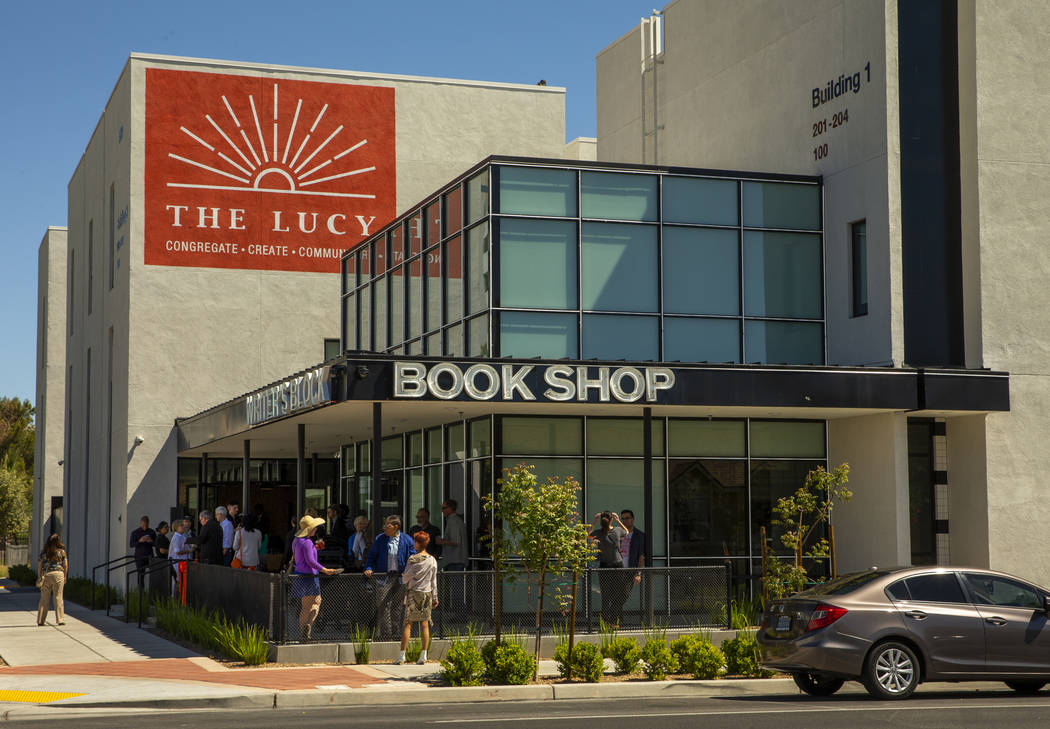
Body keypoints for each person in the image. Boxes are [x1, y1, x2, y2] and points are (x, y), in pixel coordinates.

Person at [364, 515, 416, 640]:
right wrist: (369, 567)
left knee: (397, 605)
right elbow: (372, 555)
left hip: (400, 577)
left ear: (395, 527)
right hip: (384, 576)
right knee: (382, 604)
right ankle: (385, 634)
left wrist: (411, 570)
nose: (384, 528)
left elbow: (413, 556)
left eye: (387, 525)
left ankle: (396, 633)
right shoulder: (380, 539)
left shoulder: (407, 539)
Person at [291, 514, 338, 640]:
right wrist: (325, 570)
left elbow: (302, 557)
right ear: (309, 529)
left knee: (311, 603)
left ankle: (305, 630)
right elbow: (311, 561)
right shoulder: (307, 542)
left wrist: (314, 547)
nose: (316, 529)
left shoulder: (296, 540)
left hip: (300, 576)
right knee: (311, 605)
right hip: (310, 576)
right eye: (314, 527)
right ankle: (306, 629)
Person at [398, 531, 438, 664]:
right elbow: (434, 581)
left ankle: (402, 655)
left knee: (408, 624)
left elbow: (406, 577)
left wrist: (405, 578)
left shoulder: (413, 559)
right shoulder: (432, 560)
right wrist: (435, 597)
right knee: (425, 624)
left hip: (413, 593)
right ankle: (424, 655)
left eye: (415, 541)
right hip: (426, 593)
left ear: (417, 543)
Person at [590, 510, 630, 626]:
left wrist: (594, 520)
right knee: (617, 593)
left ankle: (605, 621)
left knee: (605, 595)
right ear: (611, 520)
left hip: (604, 565)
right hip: (617, 565)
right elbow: (627, 532)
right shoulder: (617, 530)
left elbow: (588, 534)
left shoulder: (598, 533)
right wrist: (618, 520)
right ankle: (614, 620)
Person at [37, 534, 68, 626]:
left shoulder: (44, 552)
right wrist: (65, 576)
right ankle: (60, 620)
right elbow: (65, 565)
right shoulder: (62, 552)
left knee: (44, 598)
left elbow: (40, 566)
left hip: (46, 575)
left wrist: (39, 577)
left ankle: (40, 620)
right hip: (58, 574)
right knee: (58, 597)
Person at [437, 499, 466, 570]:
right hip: (454, 561)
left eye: (444, 508)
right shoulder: (453, 520)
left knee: (455, 580)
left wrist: (441, 541)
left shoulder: (454, 521)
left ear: (450, 508)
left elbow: (456, 541)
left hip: (455, 561)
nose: (442, 511)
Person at [169, 518, 192, 599]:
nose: (183, 527)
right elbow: (177, 551)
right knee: (177, 581)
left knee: (181, 581)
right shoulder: (176, 537)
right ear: (176, 527)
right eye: (181, 525)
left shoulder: (182, 536)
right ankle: (175, 598)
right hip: (177, 563)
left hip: (182, 563)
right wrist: (188, 550)